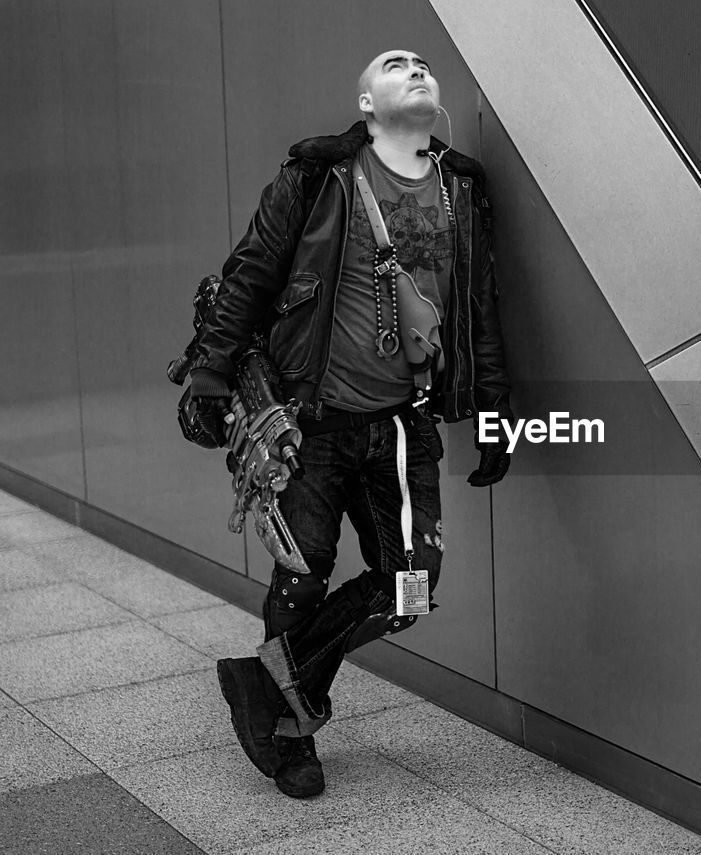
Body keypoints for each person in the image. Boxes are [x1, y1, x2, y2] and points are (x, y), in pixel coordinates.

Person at [185, 49, 513, 798]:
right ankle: (294, 734)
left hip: (402, 424)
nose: (416, 68)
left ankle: (268, 688)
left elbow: (480, 311)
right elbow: (252, 272)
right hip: (312, 418)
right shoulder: (318, 175)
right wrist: (211, 370)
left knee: (410, 587)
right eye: (396, 65)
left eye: (424, 63)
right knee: (303, 577)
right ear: (367, 102)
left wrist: (494, 408)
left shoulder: (461, 188)